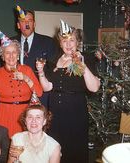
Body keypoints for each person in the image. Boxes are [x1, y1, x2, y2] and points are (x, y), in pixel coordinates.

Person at [36, 20, 101, 163]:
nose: (68, 44)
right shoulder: (53, 60)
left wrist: (82, 66)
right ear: (60, 43)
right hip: (55, 114)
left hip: (75, 112)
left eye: (72, 40)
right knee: (55, 150)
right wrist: (41, 72)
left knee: (74, 150)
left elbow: (94, 87)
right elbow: (48, 87)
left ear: (77, 42)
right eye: (64, 40)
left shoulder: (86, 58)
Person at [0, 31, 43, 138]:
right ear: (2, 56)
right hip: (4, 115)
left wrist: (26, 78)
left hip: (25, 116)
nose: (11, 56)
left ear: (18, 54)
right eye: (7, 52)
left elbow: (39, 93)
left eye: (14, 52)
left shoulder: (27, 70)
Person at [12, 5, 57, 107]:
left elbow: (53, 69)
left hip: (41, 94)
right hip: (17, 94)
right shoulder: (10, 43)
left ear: (34, 24)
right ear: (18, 25)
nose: (27, 23)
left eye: (30, 20)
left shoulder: (48, 42)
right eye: (23, 21)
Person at [8, 92, 61, 163]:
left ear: (44, 121)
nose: (33, 121)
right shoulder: (17, 139)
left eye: (38, 117)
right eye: (30, 117)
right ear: (25, 121)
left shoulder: (53, 146)